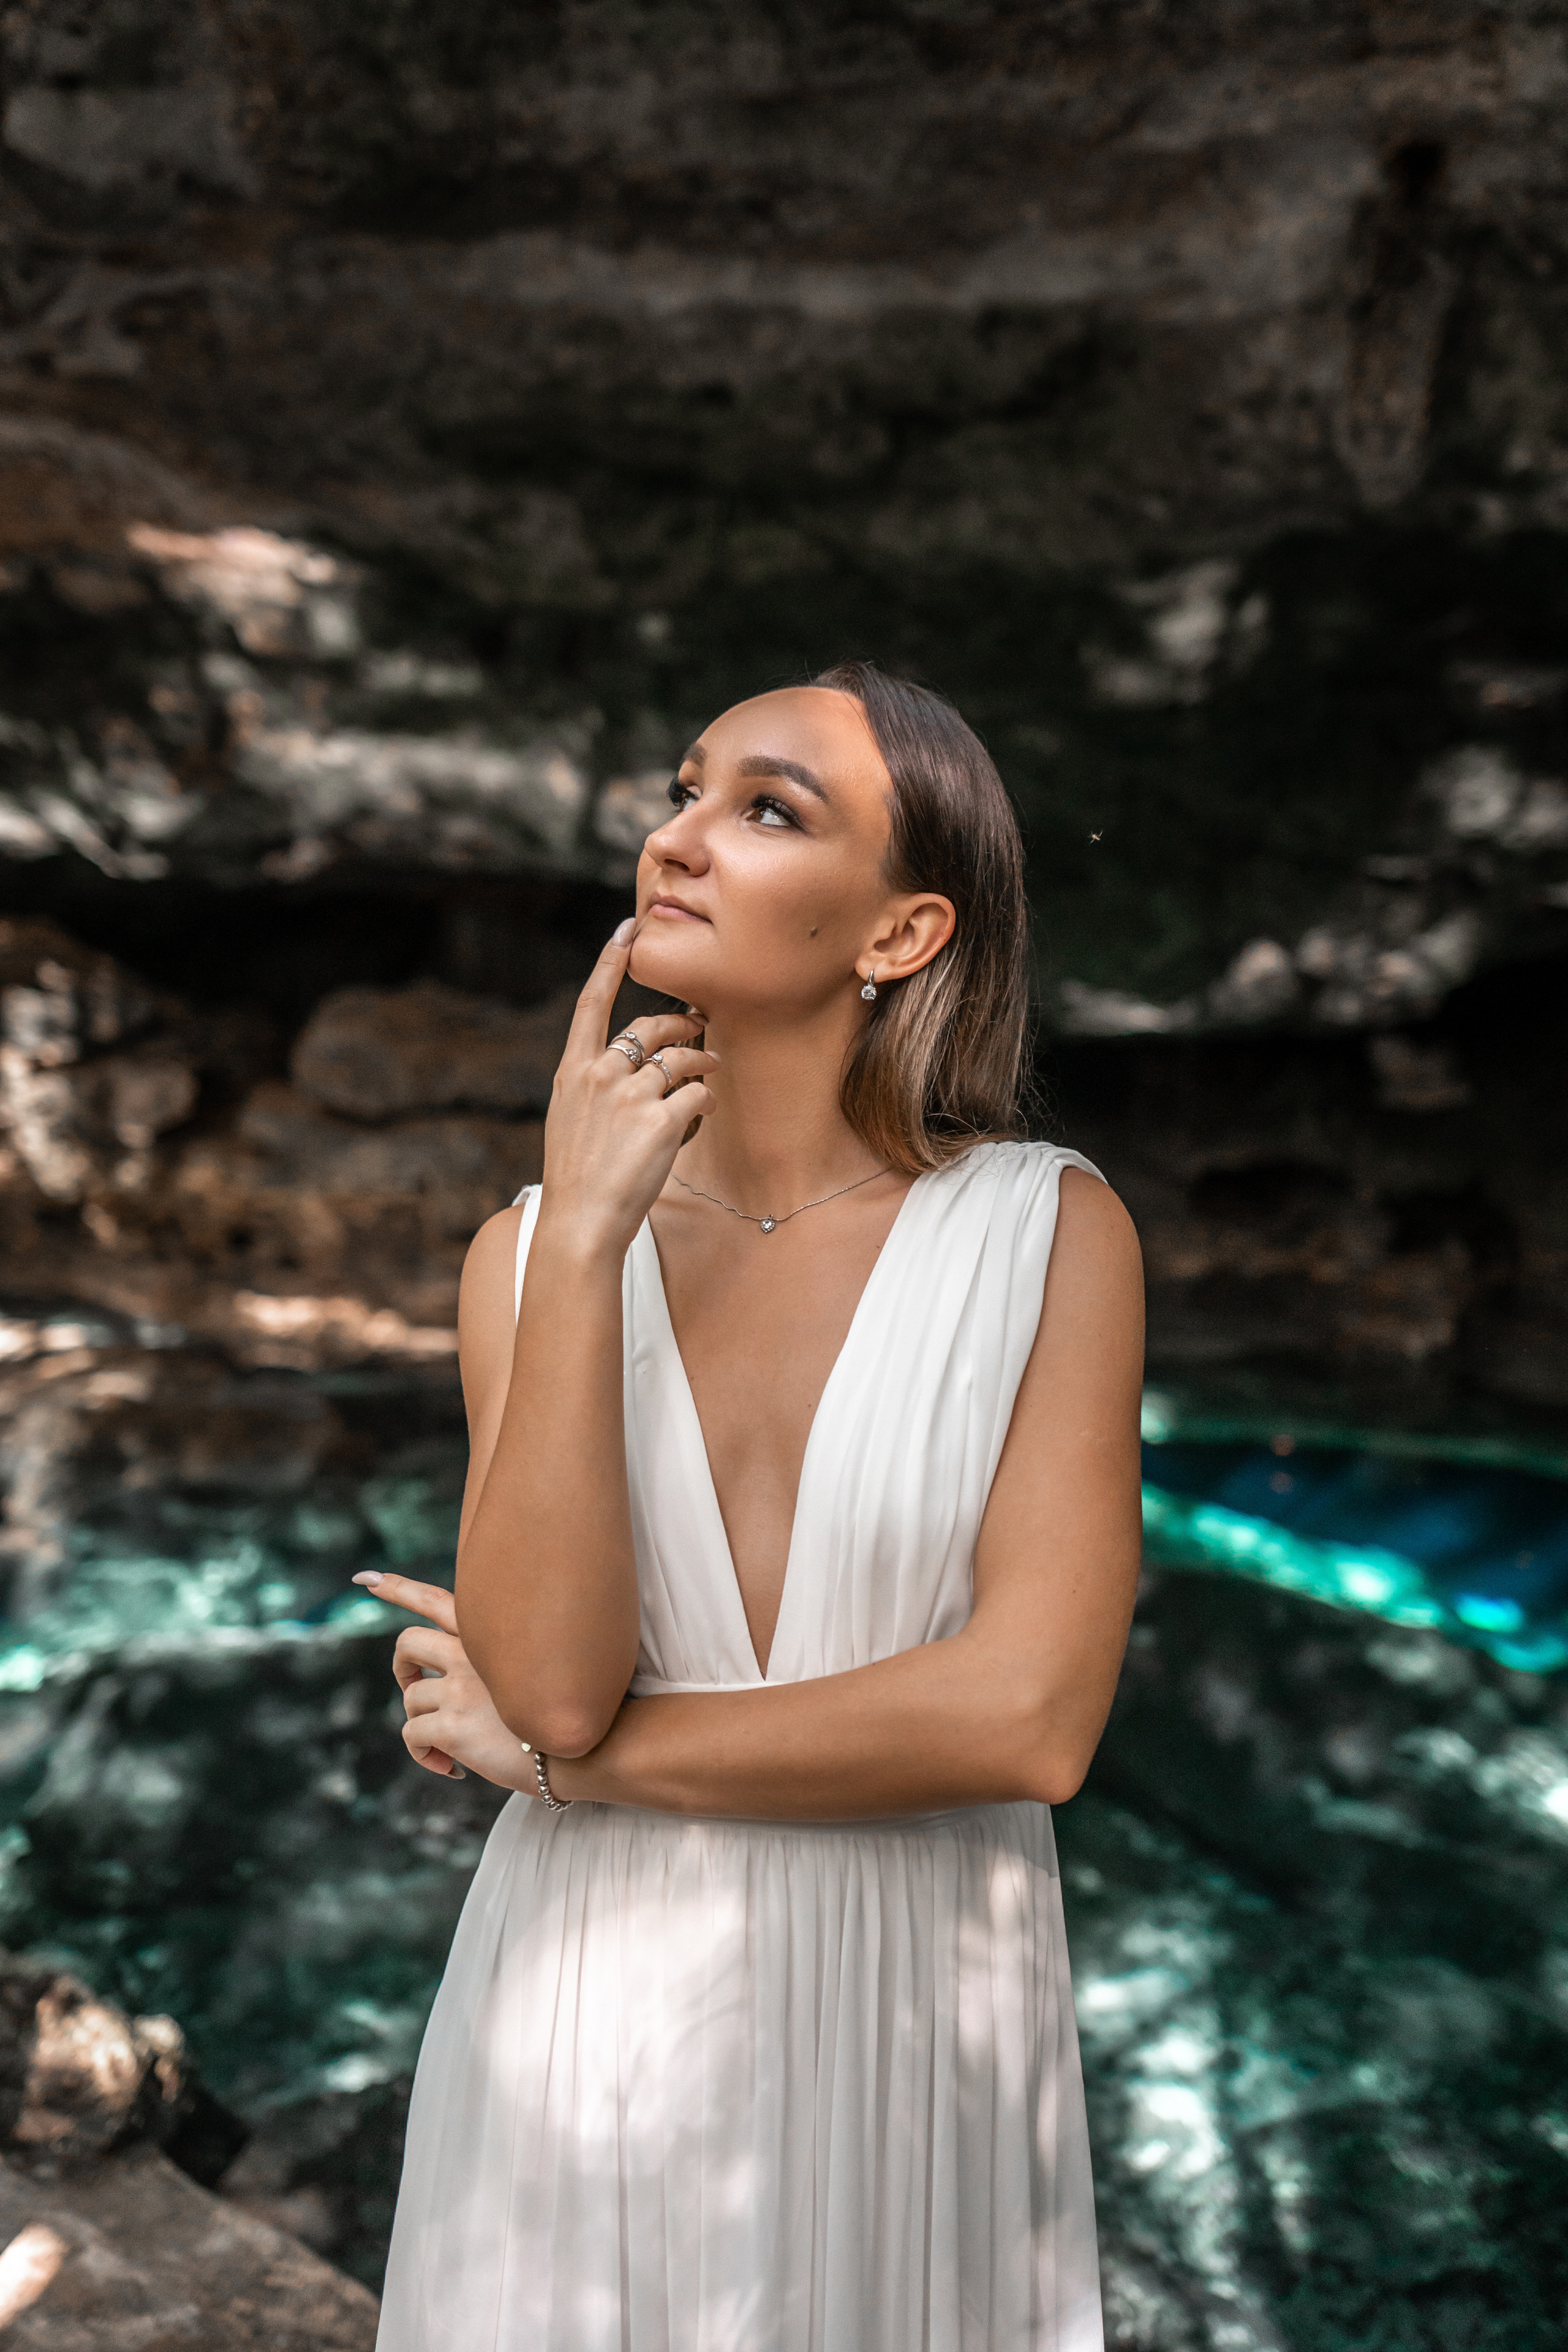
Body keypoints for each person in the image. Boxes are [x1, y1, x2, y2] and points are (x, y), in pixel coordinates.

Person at [356, 662, 1145, 2352]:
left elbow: (1030, 1720)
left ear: (903, 935)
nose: (680, 841)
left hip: (921, 2018)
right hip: (582, 2009)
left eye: (768, 810)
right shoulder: (525, 1256)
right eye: (684, 790)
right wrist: (580, 1242)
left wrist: (577, 1767)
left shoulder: (1049, 1234)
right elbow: (558, 1674)